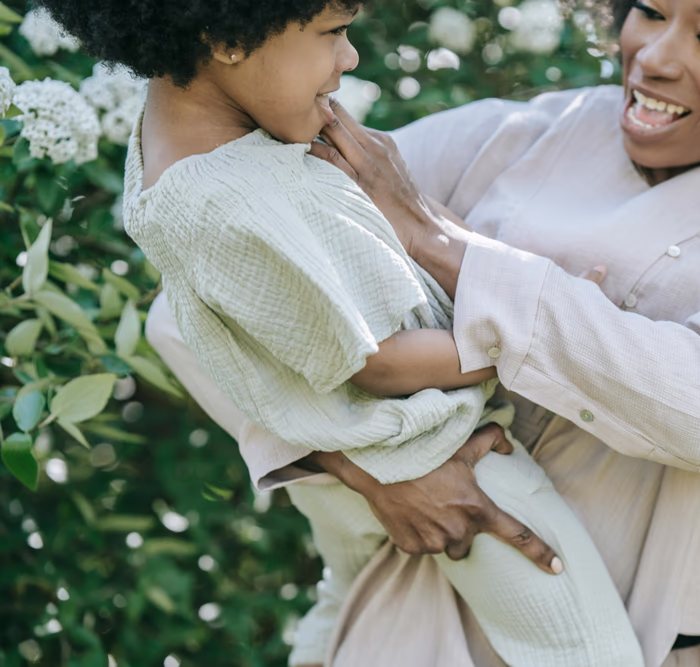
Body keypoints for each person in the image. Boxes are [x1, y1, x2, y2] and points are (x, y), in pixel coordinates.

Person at [37, 0, 648, 666]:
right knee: (587, 647)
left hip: (336, 468)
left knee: (341, 609)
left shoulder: (211, 138)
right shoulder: (235, 201)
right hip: (439, 452)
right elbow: (379, 363)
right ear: (224, 36)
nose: (350, 57)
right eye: (332, 33)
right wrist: (533, 335)